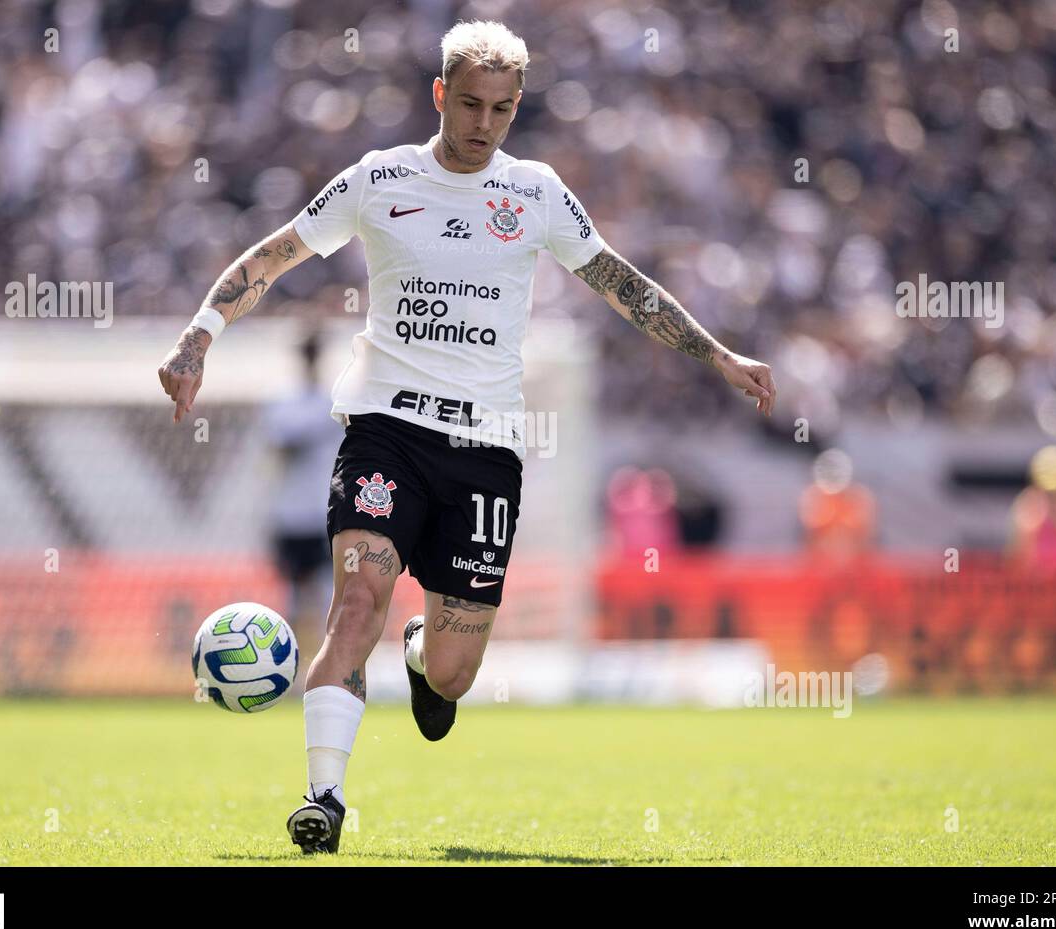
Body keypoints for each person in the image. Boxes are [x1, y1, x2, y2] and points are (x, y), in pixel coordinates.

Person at [157, 19, 776, 855]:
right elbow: (274, 255)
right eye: (472, 105)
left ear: (518, 110)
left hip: (485, 454)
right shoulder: (380, 179)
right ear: (440, 95)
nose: (485, 125)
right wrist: (200, 333)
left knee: (453, 673)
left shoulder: (536, 193)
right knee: (356, 604)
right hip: (385, 432)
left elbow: (619, 282)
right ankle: (323, 799)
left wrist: (717, 354)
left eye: (504, 110)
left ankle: (423, 658)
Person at [261, 332, 340, 680]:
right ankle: (286, 671)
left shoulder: (333, 401)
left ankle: (329, 673)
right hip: (291, 514)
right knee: (293, 600)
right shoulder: (285, 403)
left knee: (327, 599)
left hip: (323, 513)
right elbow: (279, 447)